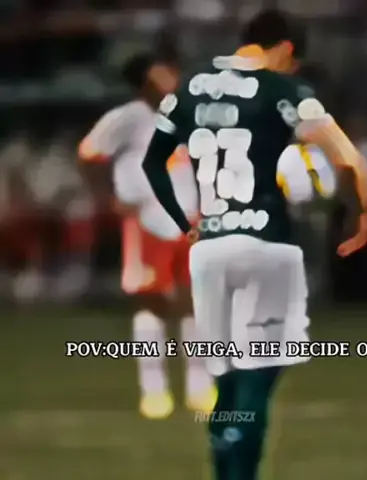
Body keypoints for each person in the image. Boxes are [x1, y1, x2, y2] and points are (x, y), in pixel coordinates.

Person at [142, 9, 367, 479]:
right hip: (265, 245)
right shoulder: (283, 91)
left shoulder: (189, 89)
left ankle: (224, 449)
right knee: (259, 370)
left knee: (226, 373)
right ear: (286, 48)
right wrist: (362, 212)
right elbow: (348, 160)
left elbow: (153, 163)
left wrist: (184, 222)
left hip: (210, 249)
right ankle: (238, 452)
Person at [78, 52, 215, 420]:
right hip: (147, 222)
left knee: (192, 302)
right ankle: (154, 391)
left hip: (187, 219)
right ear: (144, 82)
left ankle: (200, 387)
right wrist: (109, 199)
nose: (172, 78)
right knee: (150, 303)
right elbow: (88, 154)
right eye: (162, 73)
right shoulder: (128, 117)